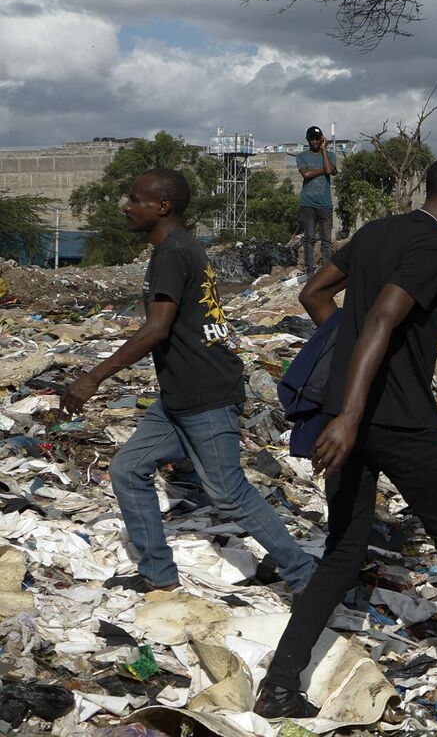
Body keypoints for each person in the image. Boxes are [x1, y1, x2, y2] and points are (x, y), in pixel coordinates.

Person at [253, 155, 437, 719]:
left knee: (343, 551)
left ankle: (278, 685)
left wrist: (345, 384)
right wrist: (351, 414)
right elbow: (382, 320)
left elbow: (315, 294)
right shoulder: (432, 246)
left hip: (350, 417)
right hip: (394, 421)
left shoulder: (375, 232)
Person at [61, 168, 317, 595]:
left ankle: (306, 579)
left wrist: (92, 377)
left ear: (161, 207)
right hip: (178, 396)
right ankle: (158, 574)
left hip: (205, 394)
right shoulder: (178, 249)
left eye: (135, 199)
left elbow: (156, 328)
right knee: (128, 469)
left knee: (228, 492)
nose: (126, 206)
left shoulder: (173, 253)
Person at [295, 126, 337, 277]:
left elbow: (332, 170)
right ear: (308, 140)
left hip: (325, 204)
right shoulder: (301, 156)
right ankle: (310, 272)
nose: (315, 141)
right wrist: (325, 170)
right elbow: (306, 174)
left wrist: (324, 150)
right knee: (309, 239)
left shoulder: (330, 155)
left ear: (322, 140)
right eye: (312, 138)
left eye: (317, 139)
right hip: (308, 204)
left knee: (326, 240)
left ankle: (326, 272)